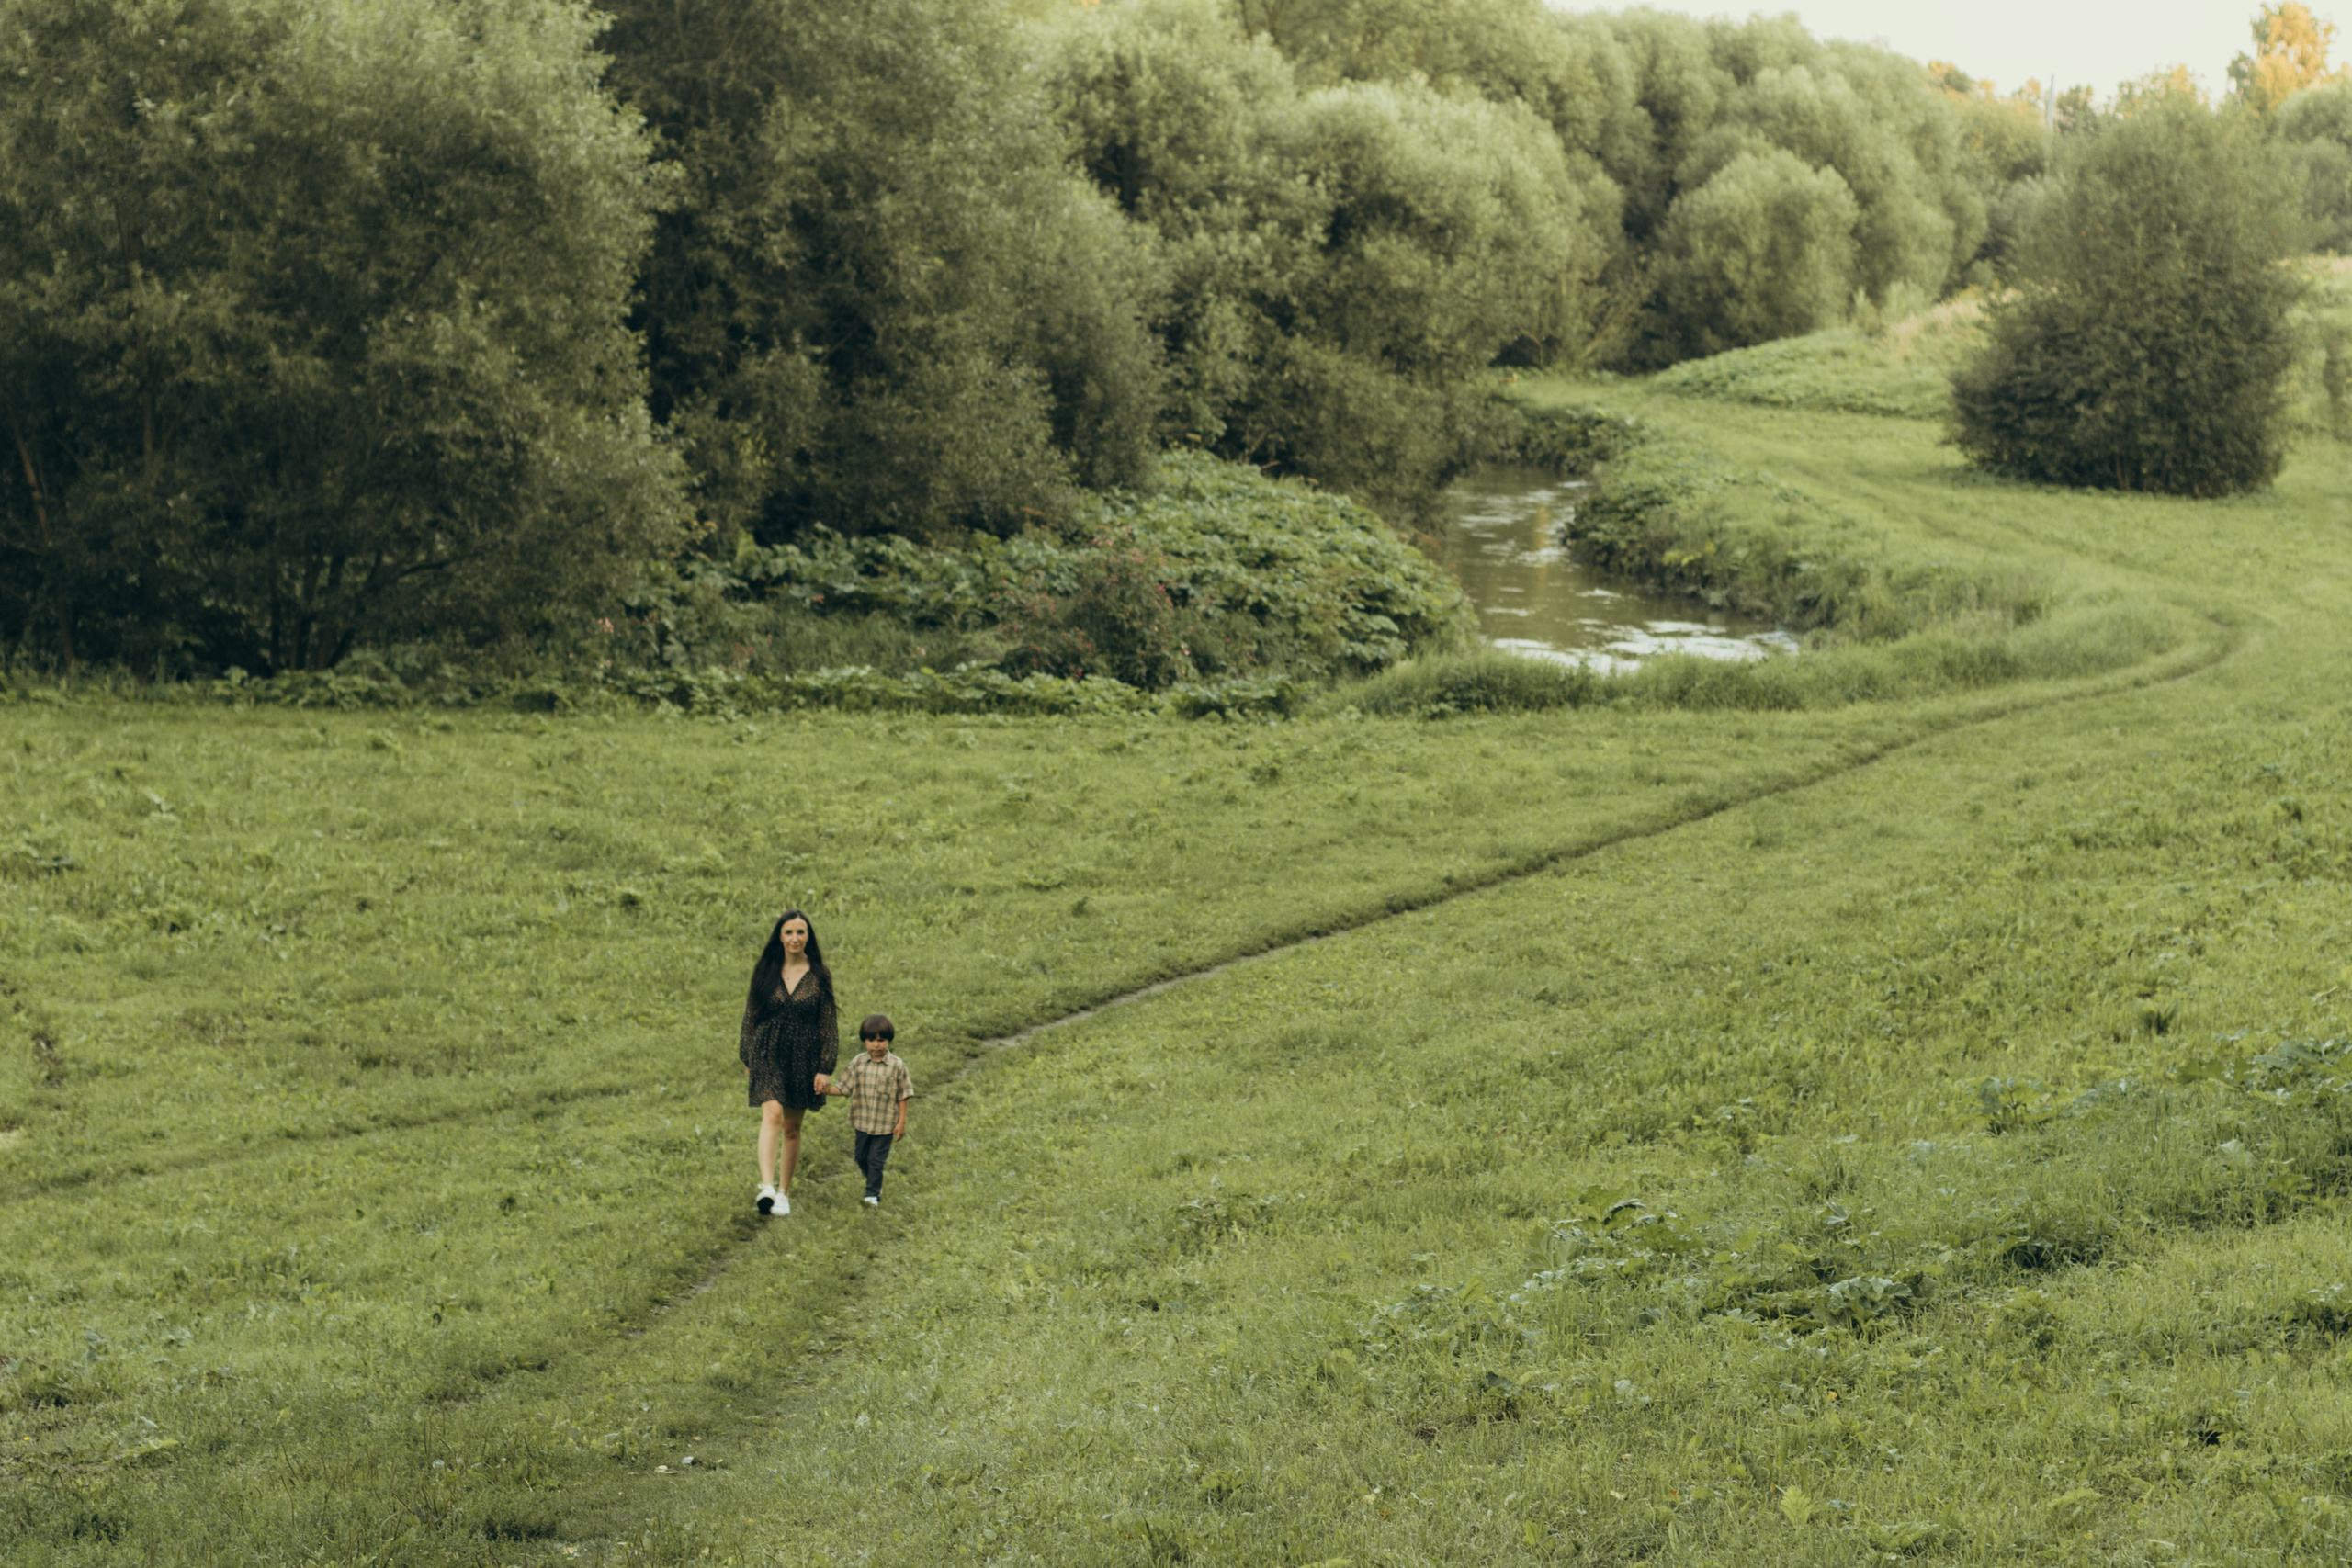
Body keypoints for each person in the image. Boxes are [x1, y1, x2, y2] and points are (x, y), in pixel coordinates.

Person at [738, 908, 839, 1216]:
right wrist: (747, 1055)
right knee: (773, 1114)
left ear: (808, 936)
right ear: (779, 937)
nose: (795, 938)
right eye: (789, 932)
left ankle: (783, 1193)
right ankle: (766, 1187)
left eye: (800, 932)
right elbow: (751, 1015)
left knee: (792, 1127)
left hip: (804, 1057)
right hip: (767, 1051)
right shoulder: (766, 969)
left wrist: (825, 1067)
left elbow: (828, 1023)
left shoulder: (819, 973)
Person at [831, 1013, 912, 1206]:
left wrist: (901, 1122)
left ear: (888, 1040)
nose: (876, 1045)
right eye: (871, 1040)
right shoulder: (858, 1063)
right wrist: (825, 1090)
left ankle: (872, 1195)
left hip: (885, 1124)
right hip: (862, 1121)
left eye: (881, 1040)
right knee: (861, 1157)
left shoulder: (896, 1066)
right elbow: (844, 1088)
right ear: (864, 1041)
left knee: (876, 1160)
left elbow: (903, 1094)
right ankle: (874, 1181)